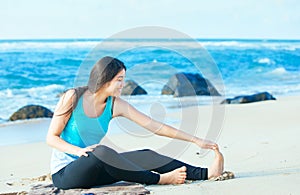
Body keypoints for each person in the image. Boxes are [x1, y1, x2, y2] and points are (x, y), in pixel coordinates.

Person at [46, 56, 224, 190]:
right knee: (102, 152)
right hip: (65, 174)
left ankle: (206, 173)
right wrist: (78, 151)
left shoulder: (115, 105)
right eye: (119, 80)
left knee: (145, 154)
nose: (123, 85)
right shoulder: (73, 97)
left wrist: (195, 140)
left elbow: (155, 126)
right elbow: (51, 138)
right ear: (104, 79)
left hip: (96, 170)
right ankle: (160, 179)